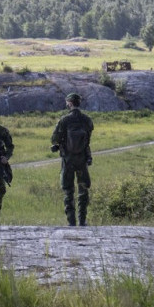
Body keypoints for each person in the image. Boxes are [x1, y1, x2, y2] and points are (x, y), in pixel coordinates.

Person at [50, 92, 94, 226]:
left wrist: (59, 144)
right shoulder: (87, 120)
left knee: (68, 190)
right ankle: (82, 220)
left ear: (69, 103)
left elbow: (54, 139)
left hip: (68, 160)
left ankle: (71, 222)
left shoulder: (64, 120)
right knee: (83, 190)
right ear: (79, 103)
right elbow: (88, 137)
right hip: (82, 159)